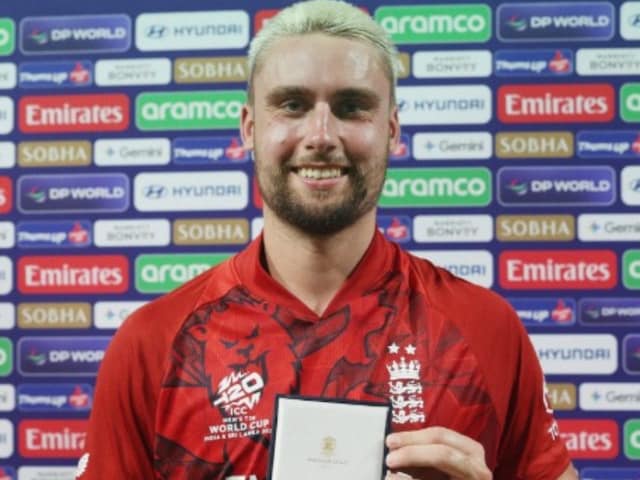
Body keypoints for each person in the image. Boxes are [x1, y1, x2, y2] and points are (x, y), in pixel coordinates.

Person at [77, 1, 578, 479]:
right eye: (292, 105)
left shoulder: (484, 328)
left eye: (352, 107)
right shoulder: (153, 343)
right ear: (250, 128)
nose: (320, 135)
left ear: (391, 130)